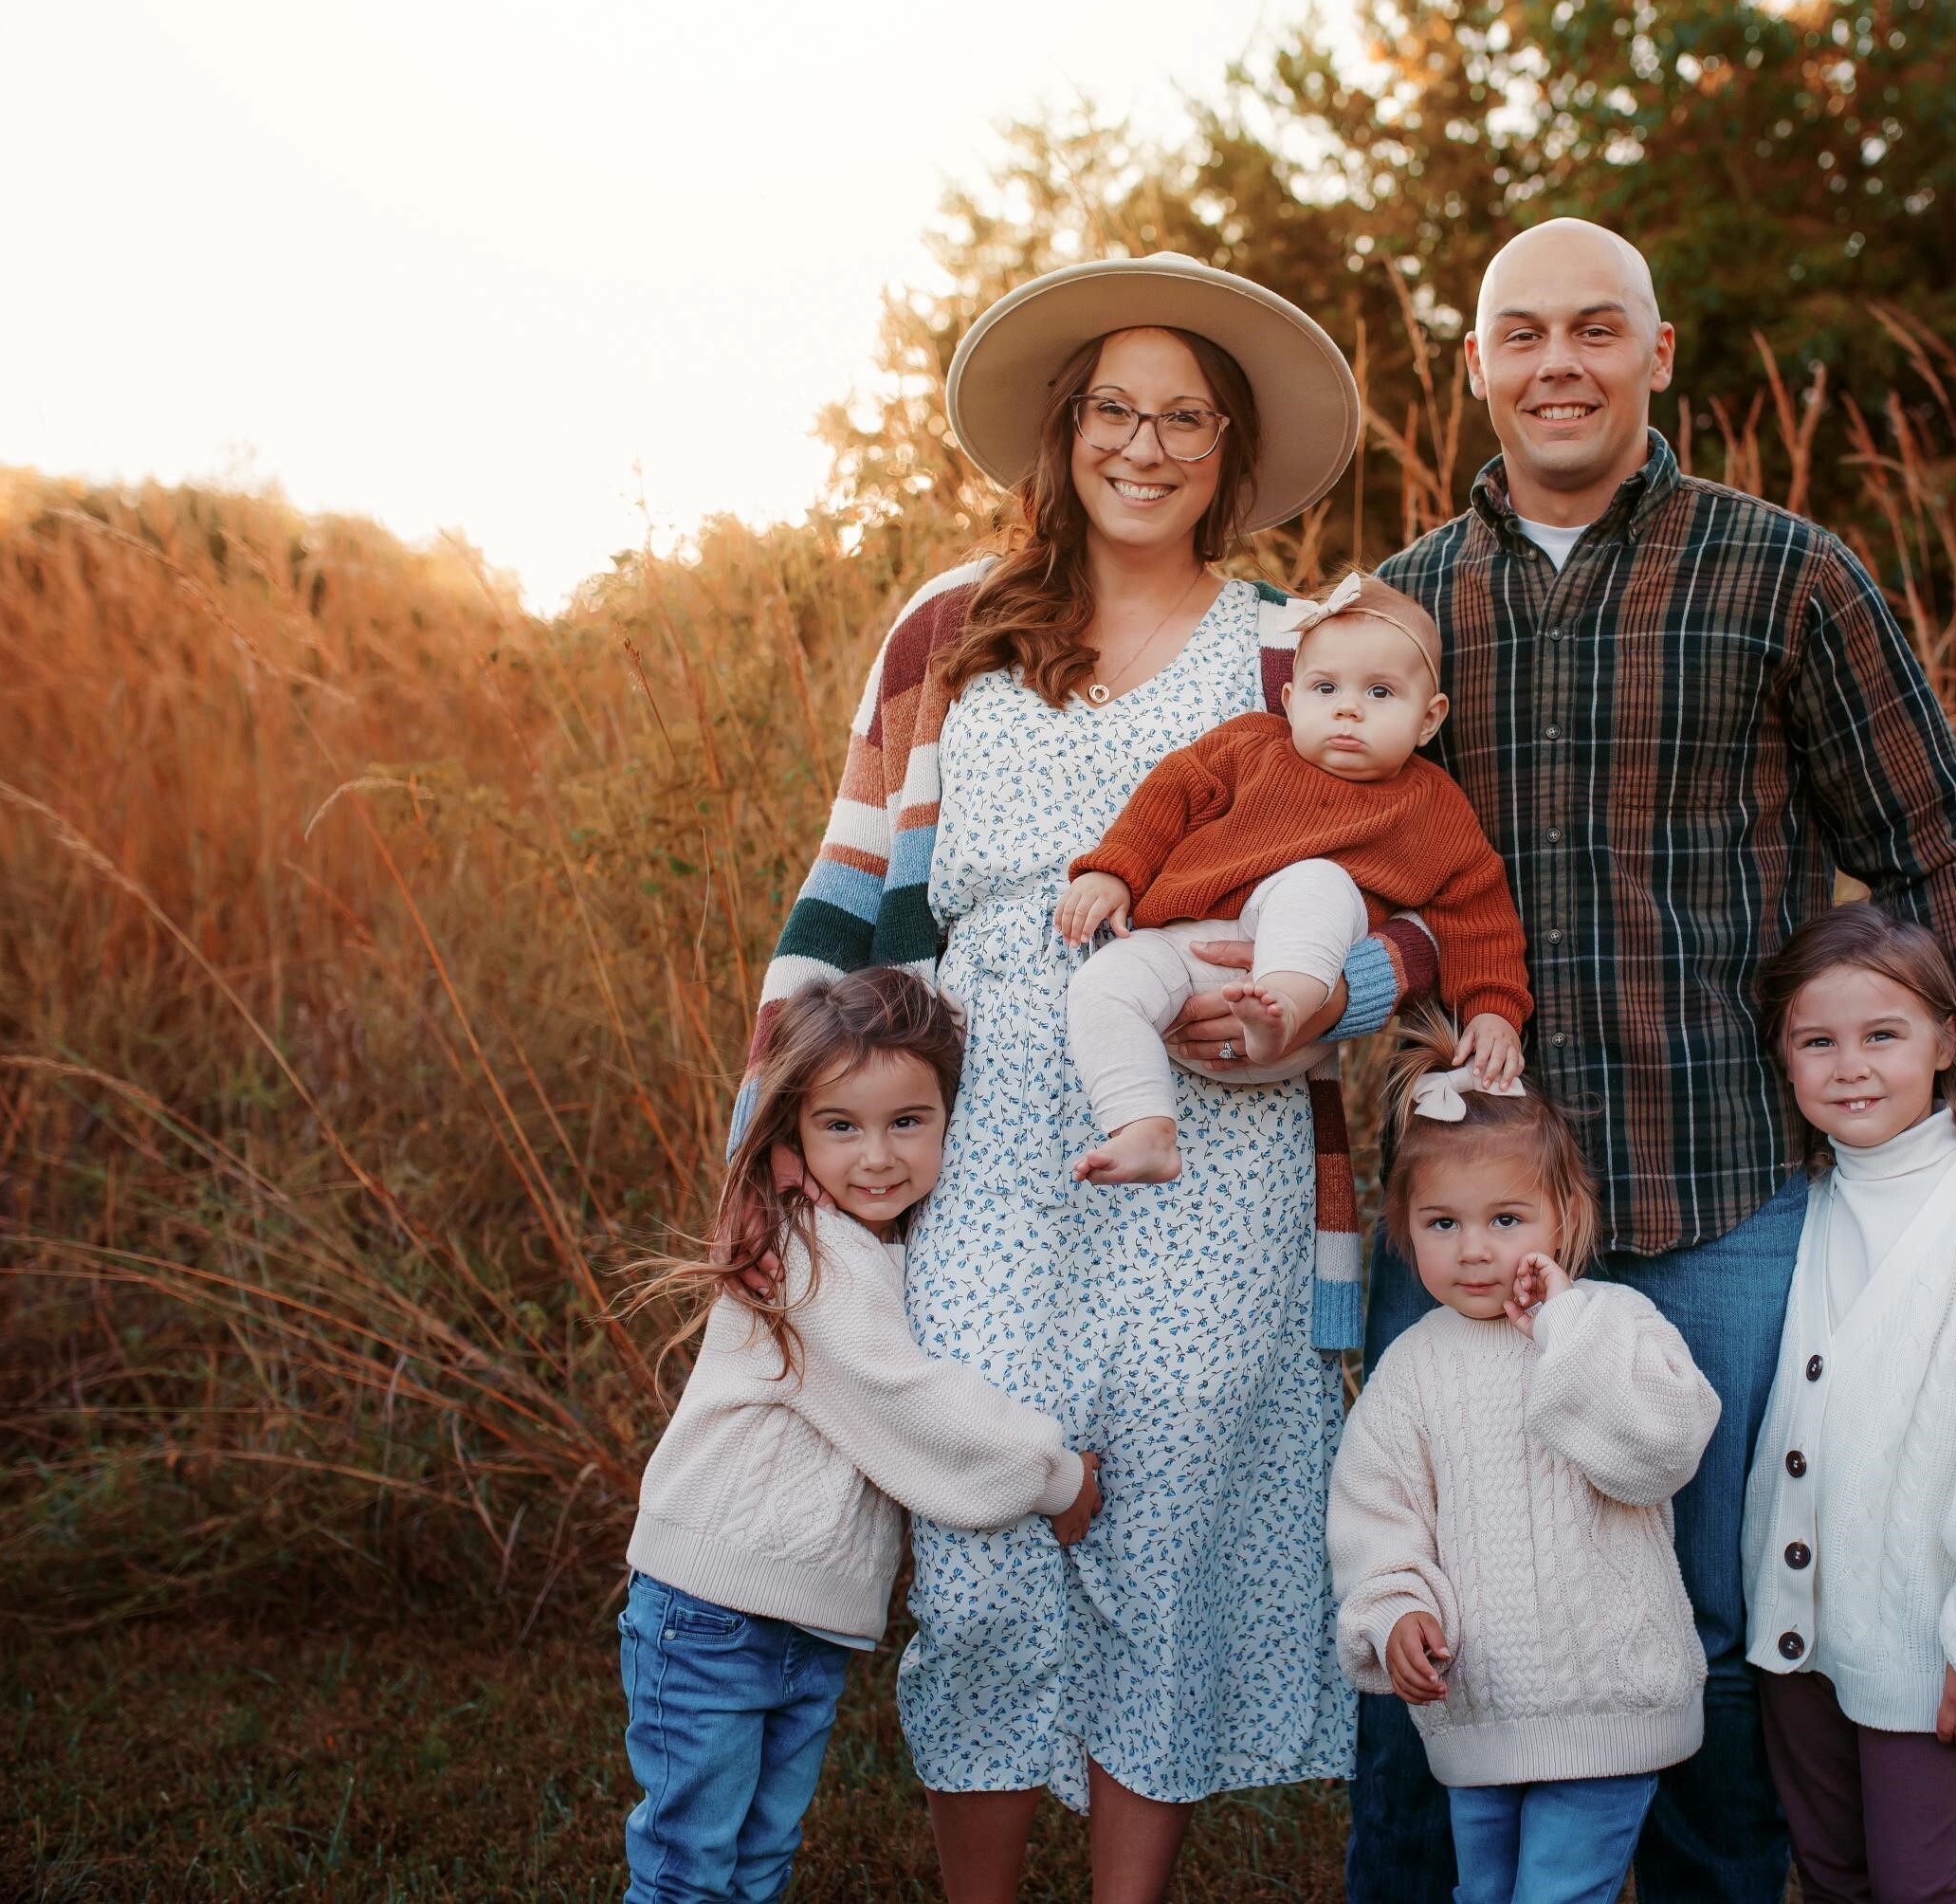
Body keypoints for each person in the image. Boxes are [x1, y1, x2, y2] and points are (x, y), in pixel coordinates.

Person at [1345, 217, 1956, 1902]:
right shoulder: (1398, 606)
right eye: (1521, 333)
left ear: (1656, 352)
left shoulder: (1783, 572)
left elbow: (1928, 845)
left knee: (1707, 1608)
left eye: (1595, 329)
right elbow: (1312, 865)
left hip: (1719, 1188)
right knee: (1425, 1585)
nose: (1558, 363)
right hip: (1464, 1192)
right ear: (1473, 364)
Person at [738, 252, 1436, 1903]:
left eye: (1183, 414)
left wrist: (1318, 996)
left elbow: (1417, 884)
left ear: (1227, 446)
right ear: (1064, 432)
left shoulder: (1295, 644)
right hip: (978, 1115)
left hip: (1219, 1132)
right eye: (1113, 408)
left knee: (1167, 1542)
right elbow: (848, 892)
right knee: (979, 1535)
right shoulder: (950, 625)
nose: (1145, 442)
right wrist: (769, 1128)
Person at [618, 968, 1105, 1904]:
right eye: (840, 1125)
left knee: (758, 1859)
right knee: (690, 1868)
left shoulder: (881, 1244)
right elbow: (907, 1401)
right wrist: (1053, 1476)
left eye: (906, 1122)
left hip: (802, 1619)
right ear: (792, 1133)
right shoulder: (806, 1256)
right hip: (711, 1608)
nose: (876, 1156)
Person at [1741, 905, 1956, 1901]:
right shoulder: (1798, 1205)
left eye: (1881, 1035)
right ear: (1785, 1056)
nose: (1849, 1066)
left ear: (1946, 1042)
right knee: (1831, 1873)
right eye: (1817, 1041)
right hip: (1793, 1629)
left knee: (1919, 1884)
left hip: (1920, 1638)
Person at [1327, 1011, 1720, 1904]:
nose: (1474, 1250)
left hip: (1609, 1704)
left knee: (1557, 1895)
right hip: (1478, 1714)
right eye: (1441, 1222)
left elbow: (1662, 1450)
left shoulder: (1611, 1325)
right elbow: (1375, 1514)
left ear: (1563, 1215)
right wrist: (1392, 1612)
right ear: (1402, 1226)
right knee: (1485, 1893)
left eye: (1507, 1219)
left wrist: (1563, 1325)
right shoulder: (1413, 1367)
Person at [1055, 569, 1528, 1184]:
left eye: (1381, 693)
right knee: (1102, 983)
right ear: (1289, 700)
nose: (1349, 709)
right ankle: (1144, 1126)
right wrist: (1115, 873)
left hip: (1300, 1010)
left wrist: (1492, 1009)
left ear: (1429, 719)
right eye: (1325, 687)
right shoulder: (1249, 747)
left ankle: (1277, 1004)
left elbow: (1477, 910)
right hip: (1183, 964)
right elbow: (1165, 803)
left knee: (1316, 882)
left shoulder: (1431, 807)